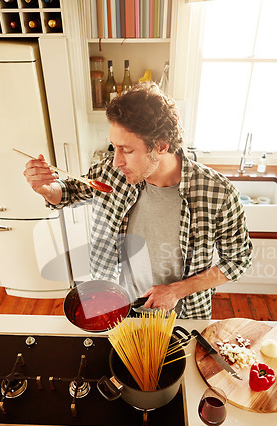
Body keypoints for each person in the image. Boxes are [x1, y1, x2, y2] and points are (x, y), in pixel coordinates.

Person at [24, 82, 252, 319]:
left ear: (161, 146)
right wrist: (47, 189)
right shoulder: (110, 175)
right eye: (114, 147)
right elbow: (68, 192)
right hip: (116, 307)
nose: (116, 161)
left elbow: (238, 260)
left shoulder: (218, 193)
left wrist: (177, 290)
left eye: (127, 150)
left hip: (182, 316)